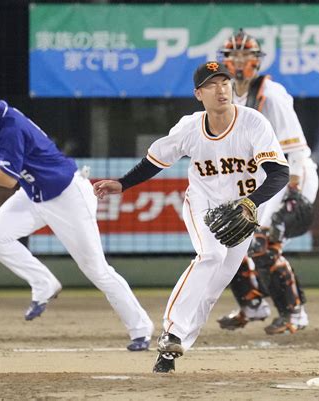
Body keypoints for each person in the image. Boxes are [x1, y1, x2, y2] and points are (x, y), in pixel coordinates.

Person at [93, 61, 289, 373]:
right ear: (199, 94)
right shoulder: (189, 128)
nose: (221, 88)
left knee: (210, 292)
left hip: (242, 214)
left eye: (224, 82)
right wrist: (123, 183)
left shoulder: (253, 123)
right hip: (204, 205)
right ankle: (171, 331)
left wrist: (251, 204)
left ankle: (170, 353)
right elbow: (156, 160)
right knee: (210, 255)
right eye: (212, 84)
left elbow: (280, 174)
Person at [0, 73, 154, 351]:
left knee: (97, 270)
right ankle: (43, 283)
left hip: (67, 196)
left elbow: (8, 179)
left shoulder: (8, 126)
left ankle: (141, 329)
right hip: (36, 194)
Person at [215, 29, 319, 335]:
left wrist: (294, 193)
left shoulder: (270, 95)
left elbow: (296, 150)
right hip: (261, 179)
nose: (238, 60)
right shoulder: (226, 96)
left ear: (256, 61)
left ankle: (294, 313)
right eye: (233, 54)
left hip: (291, 175)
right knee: (227, 238)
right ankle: (253, 306)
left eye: (245, 54)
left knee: (263, 244)